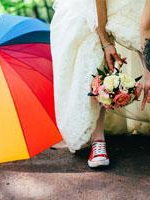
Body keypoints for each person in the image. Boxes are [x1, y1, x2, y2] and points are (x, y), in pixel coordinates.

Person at [50, 0, 150, 168]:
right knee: (91, 43)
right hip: (87, 6)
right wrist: (105, 41)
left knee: (133, 27)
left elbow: (145, 28)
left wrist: (148, 73)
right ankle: (98, 139)